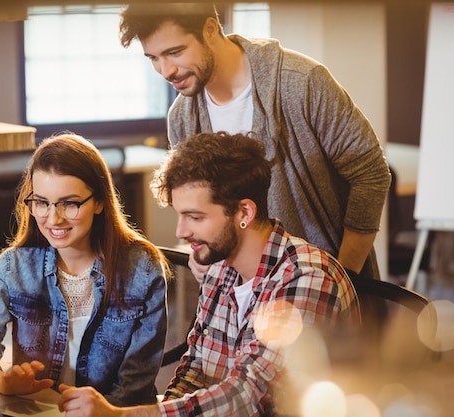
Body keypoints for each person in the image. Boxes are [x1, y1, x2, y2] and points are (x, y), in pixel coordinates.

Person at [57, 131, 360, 417]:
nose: (181, 231)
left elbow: (250, 396)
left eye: (195, 217)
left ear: (244, 213)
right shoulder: (220, 270)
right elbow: (195, 373)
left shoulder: (306, 278)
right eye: (180, 215)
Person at [118, 3, 391, 281]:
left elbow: (370, 174)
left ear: (210, 29)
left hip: (321, 284)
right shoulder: (182, 118)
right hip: (244, 299)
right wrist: (202, 254)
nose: (165, 70)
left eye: (175, 52)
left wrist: (344, 276)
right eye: (153, 58)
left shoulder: (301, 83)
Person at [0, 132, 169, 406]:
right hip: (40, 410)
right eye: (42, 202)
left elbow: (135, 386)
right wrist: (1, 381)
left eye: (69, 203)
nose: (53, 218)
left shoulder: (142, 269)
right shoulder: (14, 266)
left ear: (99, 202)